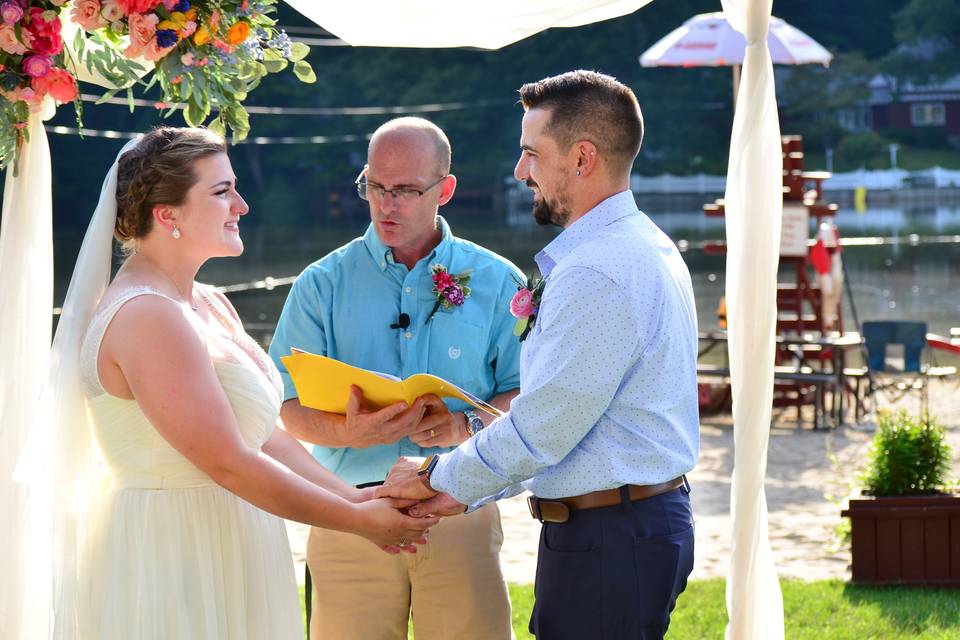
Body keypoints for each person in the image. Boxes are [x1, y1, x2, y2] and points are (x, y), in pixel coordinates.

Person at [40, 127, 437, 639]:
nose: (242, 205)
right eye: (222, 191)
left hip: (232, 535)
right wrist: (356, 523)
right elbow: (228, 461)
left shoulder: (207, 302)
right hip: (176, 551)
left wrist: (357, 498)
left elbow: (265, 436)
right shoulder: (146, 315)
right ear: (168, 215)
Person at [377, 71, 701, 639]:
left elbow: (544, 430)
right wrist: (459, 489)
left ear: (581, 158)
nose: (519, 170)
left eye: (531, 153)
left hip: (609, 537)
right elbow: (568, 423)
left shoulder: (598, 269)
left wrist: (435, 474)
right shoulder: (637, 243)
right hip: (623, 525)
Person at [269, 117, 521, 640]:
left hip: (460, 506)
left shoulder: (499, 281)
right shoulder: (321, 284)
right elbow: (283, 407)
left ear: (445, 189)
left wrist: (462, 426)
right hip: (348, 512)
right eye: (375, 187)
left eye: (405, 190)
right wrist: (348, 432)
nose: (386, 205)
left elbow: (532, 397)